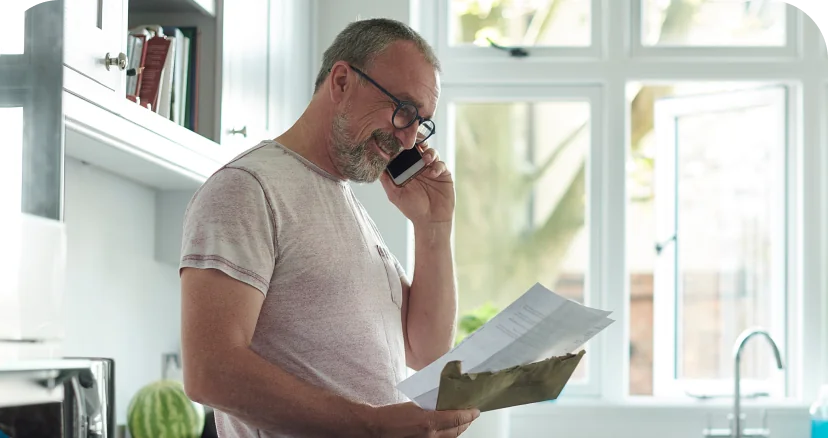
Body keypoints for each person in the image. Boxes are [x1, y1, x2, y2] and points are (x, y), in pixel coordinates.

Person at [178, 18, 480, 437]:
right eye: (404, 111)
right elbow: (209, 370)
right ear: (341, 82)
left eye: (420, 122)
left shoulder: (346, 204)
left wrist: (434, 227)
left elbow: (424, 349)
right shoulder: (248, 189)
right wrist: (372, 425)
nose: (410, 140)